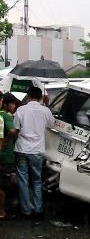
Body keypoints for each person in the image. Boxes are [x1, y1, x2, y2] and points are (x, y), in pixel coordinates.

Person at [14, 87, 54, 221]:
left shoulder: (21, 110)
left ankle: (26, 210)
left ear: (28, 96)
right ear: (41, 97)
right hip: (37, 150)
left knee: (23, 180)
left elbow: (16, 129)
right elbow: (52, 124)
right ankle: (38, 210)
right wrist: (47, 105)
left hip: (21, 149)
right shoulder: (45, 110)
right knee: (37, 180)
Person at [0, 93, 18, 220]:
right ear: (5, 103)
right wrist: (8, 138)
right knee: (4, 185)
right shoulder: (6, 116)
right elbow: (12, 131)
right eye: (12, 103)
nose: (14, 106)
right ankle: (2, 210)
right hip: (6, 155)